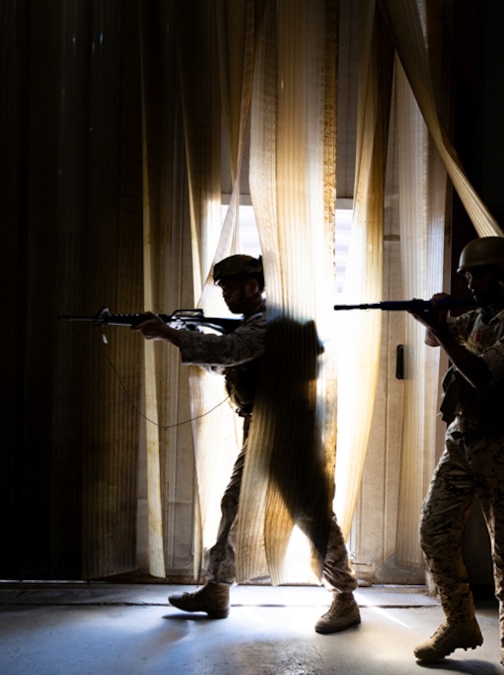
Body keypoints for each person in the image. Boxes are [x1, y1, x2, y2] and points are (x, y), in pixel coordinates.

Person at [132, 254, 361, 634]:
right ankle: (217, 590)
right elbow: (228, 363)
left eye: (232, 287)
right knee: (234, 504)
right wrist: (184, 335)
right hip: (262, 426)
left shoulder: (272, 321)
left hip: (290, 430)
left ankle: (344, 597)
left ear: (254, 286)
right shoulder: (251, 325)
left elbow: (232, 351)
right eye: (223, 288)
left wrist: (172, 334)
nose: (226, 295)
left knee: (310, 515)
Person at [407, 236, 504, 675]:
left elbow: (480, 372)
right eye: (467, 274)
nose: (470, 281)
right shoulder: (478, 315)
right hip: (462, 444)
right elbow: (437, 339)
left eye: (479, 273)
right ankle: (459, 622)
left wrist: (446, 332)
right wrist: (433, 322)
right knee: (433, 531)